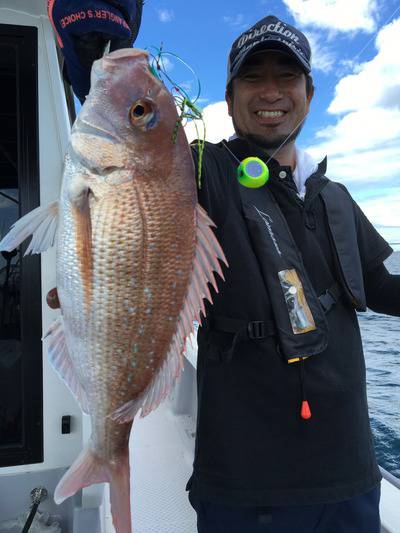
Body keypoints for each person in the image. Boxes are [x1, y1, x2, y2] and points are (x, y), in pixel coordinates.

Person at [185, 14, 400, 533]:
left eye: (287, 76)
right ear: (230, 94)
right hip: (244, 481)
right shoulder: (198, 171)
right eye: (253, 77)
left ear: (309, 91)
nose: (271, 92)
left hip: (350, 474)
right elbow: (128, 171)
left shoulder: (337, 198)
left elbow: (386, 284)